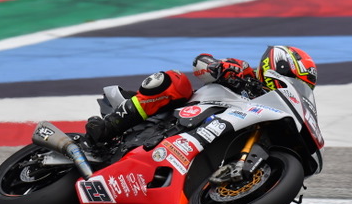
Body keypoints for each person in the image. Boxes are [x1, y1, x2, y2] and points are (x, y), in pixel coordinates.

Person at [85, 46, 316, 143]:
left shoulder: (276, 111)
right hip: (185, 115)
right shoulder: (244, 72)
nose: (294, 86)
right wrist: (219, 68)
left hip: (214, 137)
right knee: (175, 80)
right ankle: (110, 126)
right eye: (295, 80)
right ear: (278, 66)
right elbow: (200, 62)